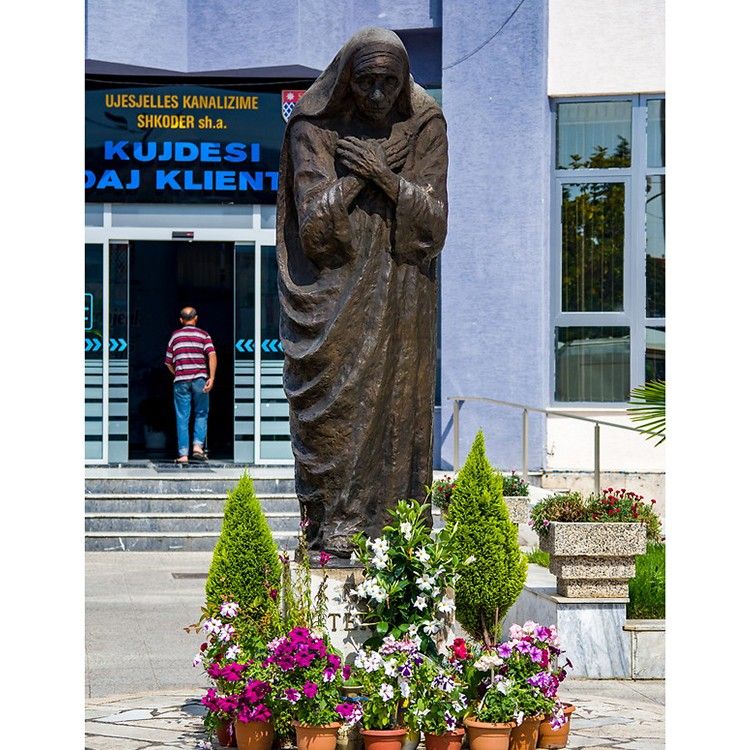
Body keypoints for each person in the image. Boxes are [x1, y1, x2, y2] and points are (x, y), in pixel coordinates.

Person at [277, 27, 448, 554]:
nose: (377, 96)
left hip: (401, 290)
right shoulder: (313, 127)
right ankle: (332, 526)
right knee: (339, 406)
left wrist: (390, 180)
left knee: (396, 404)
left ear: (404, 83)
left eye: (388, 85)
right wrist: (362, 177)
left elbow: (435, 225)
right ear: (348, 81)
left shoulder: (424, 125)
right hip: (334, 293)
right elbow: (313, 226)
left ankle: (397, 532)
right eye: (367, 83)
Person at [164, 306, 217, 463]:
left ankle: (183, 455)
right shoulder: (203, 335)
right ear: (196, 318)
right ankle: (198, 447)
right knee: (201, 413)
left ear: (181, 320)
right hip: (200, 380)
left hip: (181, 381)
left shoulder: (175, 337)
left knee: (182, 417)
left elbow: (168, 362)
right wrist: (212, 378)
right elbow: (212, 355)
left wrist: (179, 373)